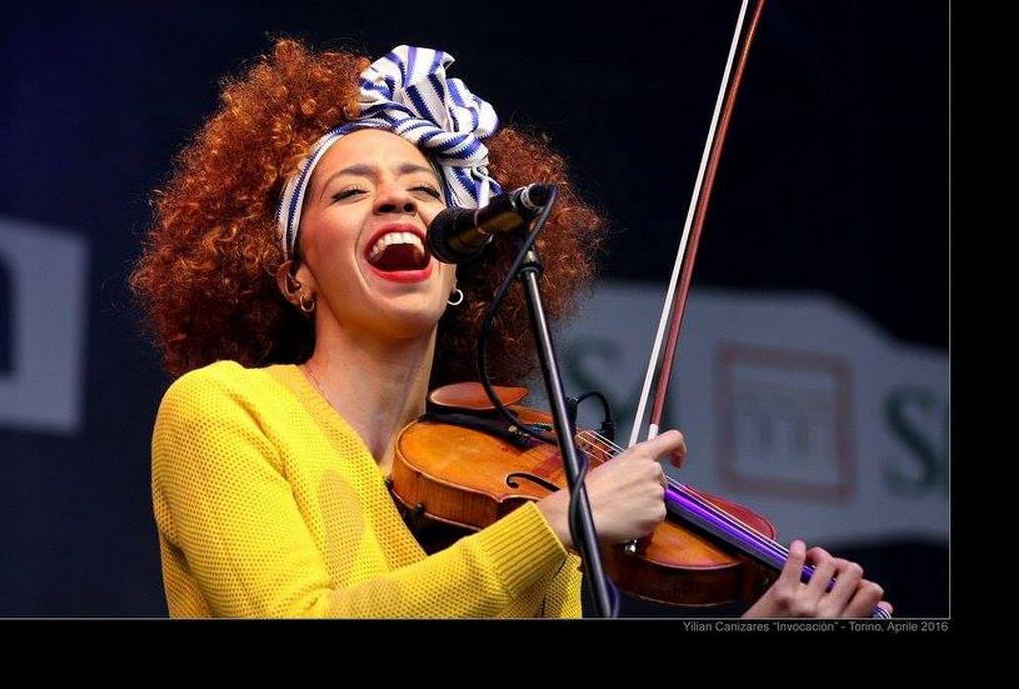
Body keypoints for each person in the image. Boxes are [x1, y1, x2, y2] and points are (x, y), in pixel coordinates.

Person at [130, 39, 891, 619]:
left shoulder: (522, 487)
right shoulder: (223, 412)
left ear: (462, 262)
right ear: (293, 275)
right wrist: (559, 523)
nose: (397, 202)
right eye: (351, 192)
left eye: (425, 191)